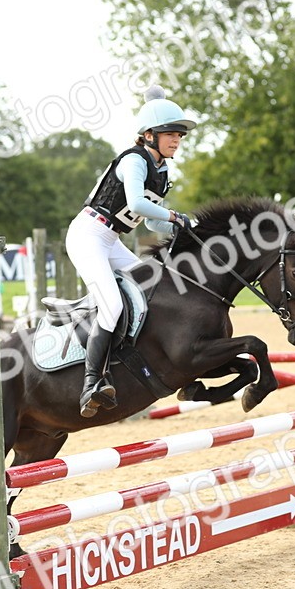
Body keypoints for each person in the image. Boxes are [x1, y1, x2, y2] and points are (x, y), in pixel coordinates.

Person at [66, 86, 196, 418]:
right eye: (171, 133)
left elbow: (153, 225)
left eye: (179, 134)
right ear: (149, 135)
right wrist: (173, 215)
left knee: (152, 289)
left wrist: (187, 227)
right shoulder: (135, 160)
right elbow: (138, 204)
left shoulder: (162, 171)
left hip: (111, 241)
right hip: (88, 235)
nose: (177, 140)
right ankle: (91, 383)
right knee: (111, 304)